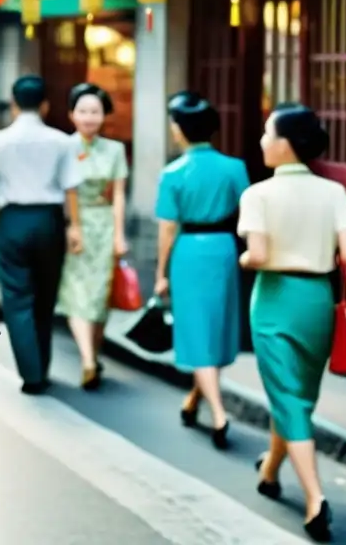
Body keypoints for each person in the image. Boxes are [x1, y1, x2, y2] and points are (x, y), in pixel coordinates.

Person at [237, 103, 346, 543]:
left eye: (268, 133)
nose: (262, 141)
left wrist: (244, 257)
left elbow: (259, 255)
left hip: (273, 298)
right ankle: (269, 470)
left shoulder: (257, 195)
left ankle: (314, 498)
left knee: (288, 399)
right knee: (295, 397)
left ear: (285, 144)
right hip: (316, 300)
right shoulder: (332, 192)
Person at [0, 74, 83, 394]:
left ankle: (32, 374)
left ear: (14, 104)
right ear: (46, 105)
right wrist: (74, 226)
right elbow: (71, 189)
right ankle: (43, 366)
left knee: (17, 298)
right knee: (45, 298)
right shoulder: (61, 140)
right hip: (49, 221)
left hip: (12, 219)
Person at [154, 92, 248, 449]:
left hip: (188, 251)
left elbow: (166, 229)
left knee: (197, 330)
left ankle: (219, 414)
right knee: (213, 329)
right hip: (224, 247)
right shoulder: (234, 168)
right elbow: (248, 211)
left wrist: (161, 273)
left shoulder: (172, 173)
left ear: (179, 130)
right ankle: (194, 400)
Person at [56, 83, 129, 390]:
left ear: (104, 115)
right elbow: (64, 190)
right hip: (75, 225)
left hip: (104, 224)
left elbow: (119, 196)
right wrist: (72, 226)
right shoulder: (63, 147)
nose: (89, 117)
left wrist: (120, 235)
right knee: (76, 294)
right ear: (72, 114)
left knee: (99, 296)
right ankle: (87, 360)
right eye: (83, 111)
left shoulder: (115, 150)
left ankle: (93, 355)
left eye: (95, 112)